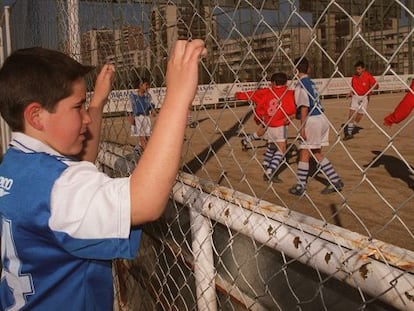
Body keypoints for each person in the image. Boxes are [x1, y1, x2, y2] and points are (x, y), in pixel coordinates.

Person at [0, 39, 207, 310]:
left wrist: (97, 101)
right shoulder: (58, 188)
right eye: (78, 107)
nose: (86, 118)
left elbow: (77, 164)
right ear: (37, 116)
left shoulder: (15, 166)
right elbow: (144, 201)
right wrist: (178, 97)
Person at [289, 57, 344, 195]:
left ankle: (301, 186)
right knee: (316, 152)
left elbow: (304, 107)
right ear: (308, 69)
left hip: (311, 120)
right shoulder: (311, 83)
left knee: (304, 153)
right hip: (321, 118)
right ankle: (335, 179)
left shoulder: (300, 84)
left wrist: (302, 127)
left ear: (295, 70)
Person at [236, 73, 296, 182]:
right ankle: (270, 171)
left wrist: (239, 95)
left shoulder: (268, 91)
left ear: (272, 83)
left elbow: (252, 94)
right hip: (279, 124)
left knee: (270, 143)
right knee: (282, 148)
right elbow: (294, 106)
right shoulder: (289, 93)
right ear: (286, 82)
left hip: (268, 121)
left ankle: (266, 162)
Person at [343, 60, 378, 140]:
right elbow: (353, 87)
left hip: (364, 97)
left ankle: (353, 127)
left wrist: (374, 86)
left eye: (359, 69)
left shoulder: (368, 76)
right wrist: (350, 93)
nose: (357, 71)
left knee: (360, 115)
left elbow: (376, 86)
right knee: (351, 113)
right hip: (355, 97)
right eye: (356, 69)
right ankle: (348, 133)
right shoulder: (354, 77)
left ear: (363, 69)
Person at [129, 76, 156, 153]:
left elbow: (151, 106)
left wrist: (153, 111)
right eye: (146, 84)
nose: (148, 87)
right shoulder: (133, 96)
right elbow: (129, 108)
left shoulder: (148, 96)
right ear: (140, 85)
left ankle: (139, 148)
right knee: (142, 137)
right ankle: (147, 152)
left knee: (148, 136)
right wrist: (130, 117)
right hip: (137, 118)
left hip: (146, 118)